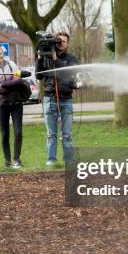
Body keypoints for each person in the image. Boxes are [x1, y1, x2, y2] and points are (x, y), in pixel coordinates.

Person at [35, 32, 79, 165]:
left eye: (63, 41)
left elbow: (68, 72)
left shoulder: (71, 58)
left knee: (67, 134)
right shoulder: (46, 57)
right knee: (51, 134)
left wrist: (55, 59)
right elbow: (38, 76)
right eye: (58, 41)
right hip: (49, 98)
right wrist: (40, 58)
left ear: (67, 44)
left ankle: (68, 160)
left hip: (66, 99)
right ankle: (51, 160)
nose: (60, 43)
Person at [0, 45, 30, 168]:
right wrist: (11, 82)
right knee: (5, 134)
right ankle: (7, 161)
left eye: (0, 53)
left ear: (3, 54)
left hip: (16, 103)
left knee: (18, 132)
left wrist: (5, 84)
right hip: (2, 105)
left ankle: (17, 159)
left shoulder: (11, 64)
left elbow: (18, 79)